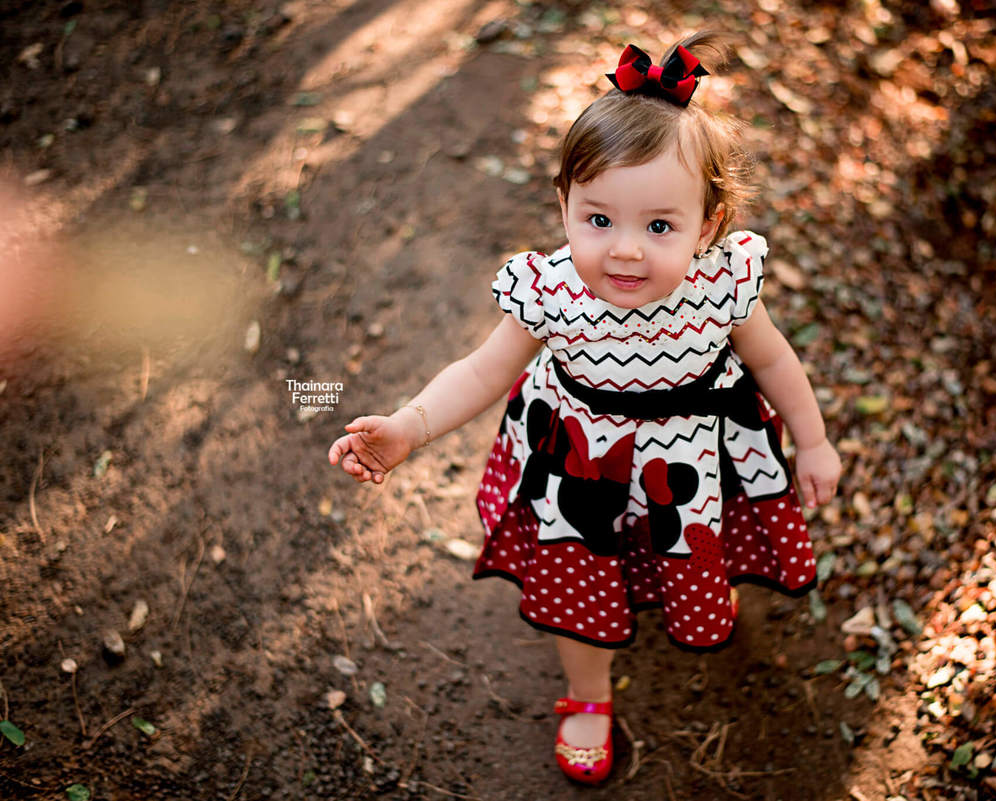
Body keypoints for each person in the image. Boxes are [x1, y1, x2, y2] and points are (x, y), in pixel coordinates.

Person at [328, 32, 842, 785]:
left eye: (659, 226)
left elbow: (771, 360)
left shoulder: (722, 283)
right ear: (564, 205)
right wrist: (410, 425)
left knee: (695, 542)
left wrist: (814, 439)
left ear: (707, 224)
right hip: (582, 470)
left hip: (696, 463)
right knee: (581, 583)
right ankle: (589, 692)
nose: (625, 250)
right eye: (599, 220)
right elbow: (482, 370)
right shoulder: (551, 291)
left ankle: (694, 585)